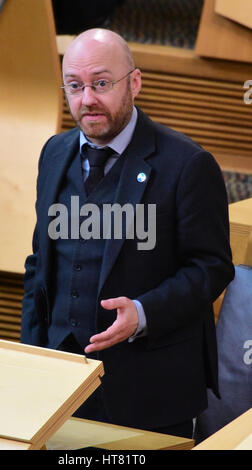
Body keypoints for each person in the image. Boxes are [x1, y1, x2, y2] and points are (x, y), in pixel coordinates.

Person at [21, 28, 234, 439]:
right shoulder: (54, 152)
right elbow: (39, 266)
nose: (87, 99)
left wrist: (143, 312)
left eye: (101, 83)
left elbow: (212, 267)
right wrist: (32, 355)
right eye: (75, 86)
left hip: (148, 389)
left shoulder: (188, 164)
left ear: (133, 82)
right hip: (57, 383)